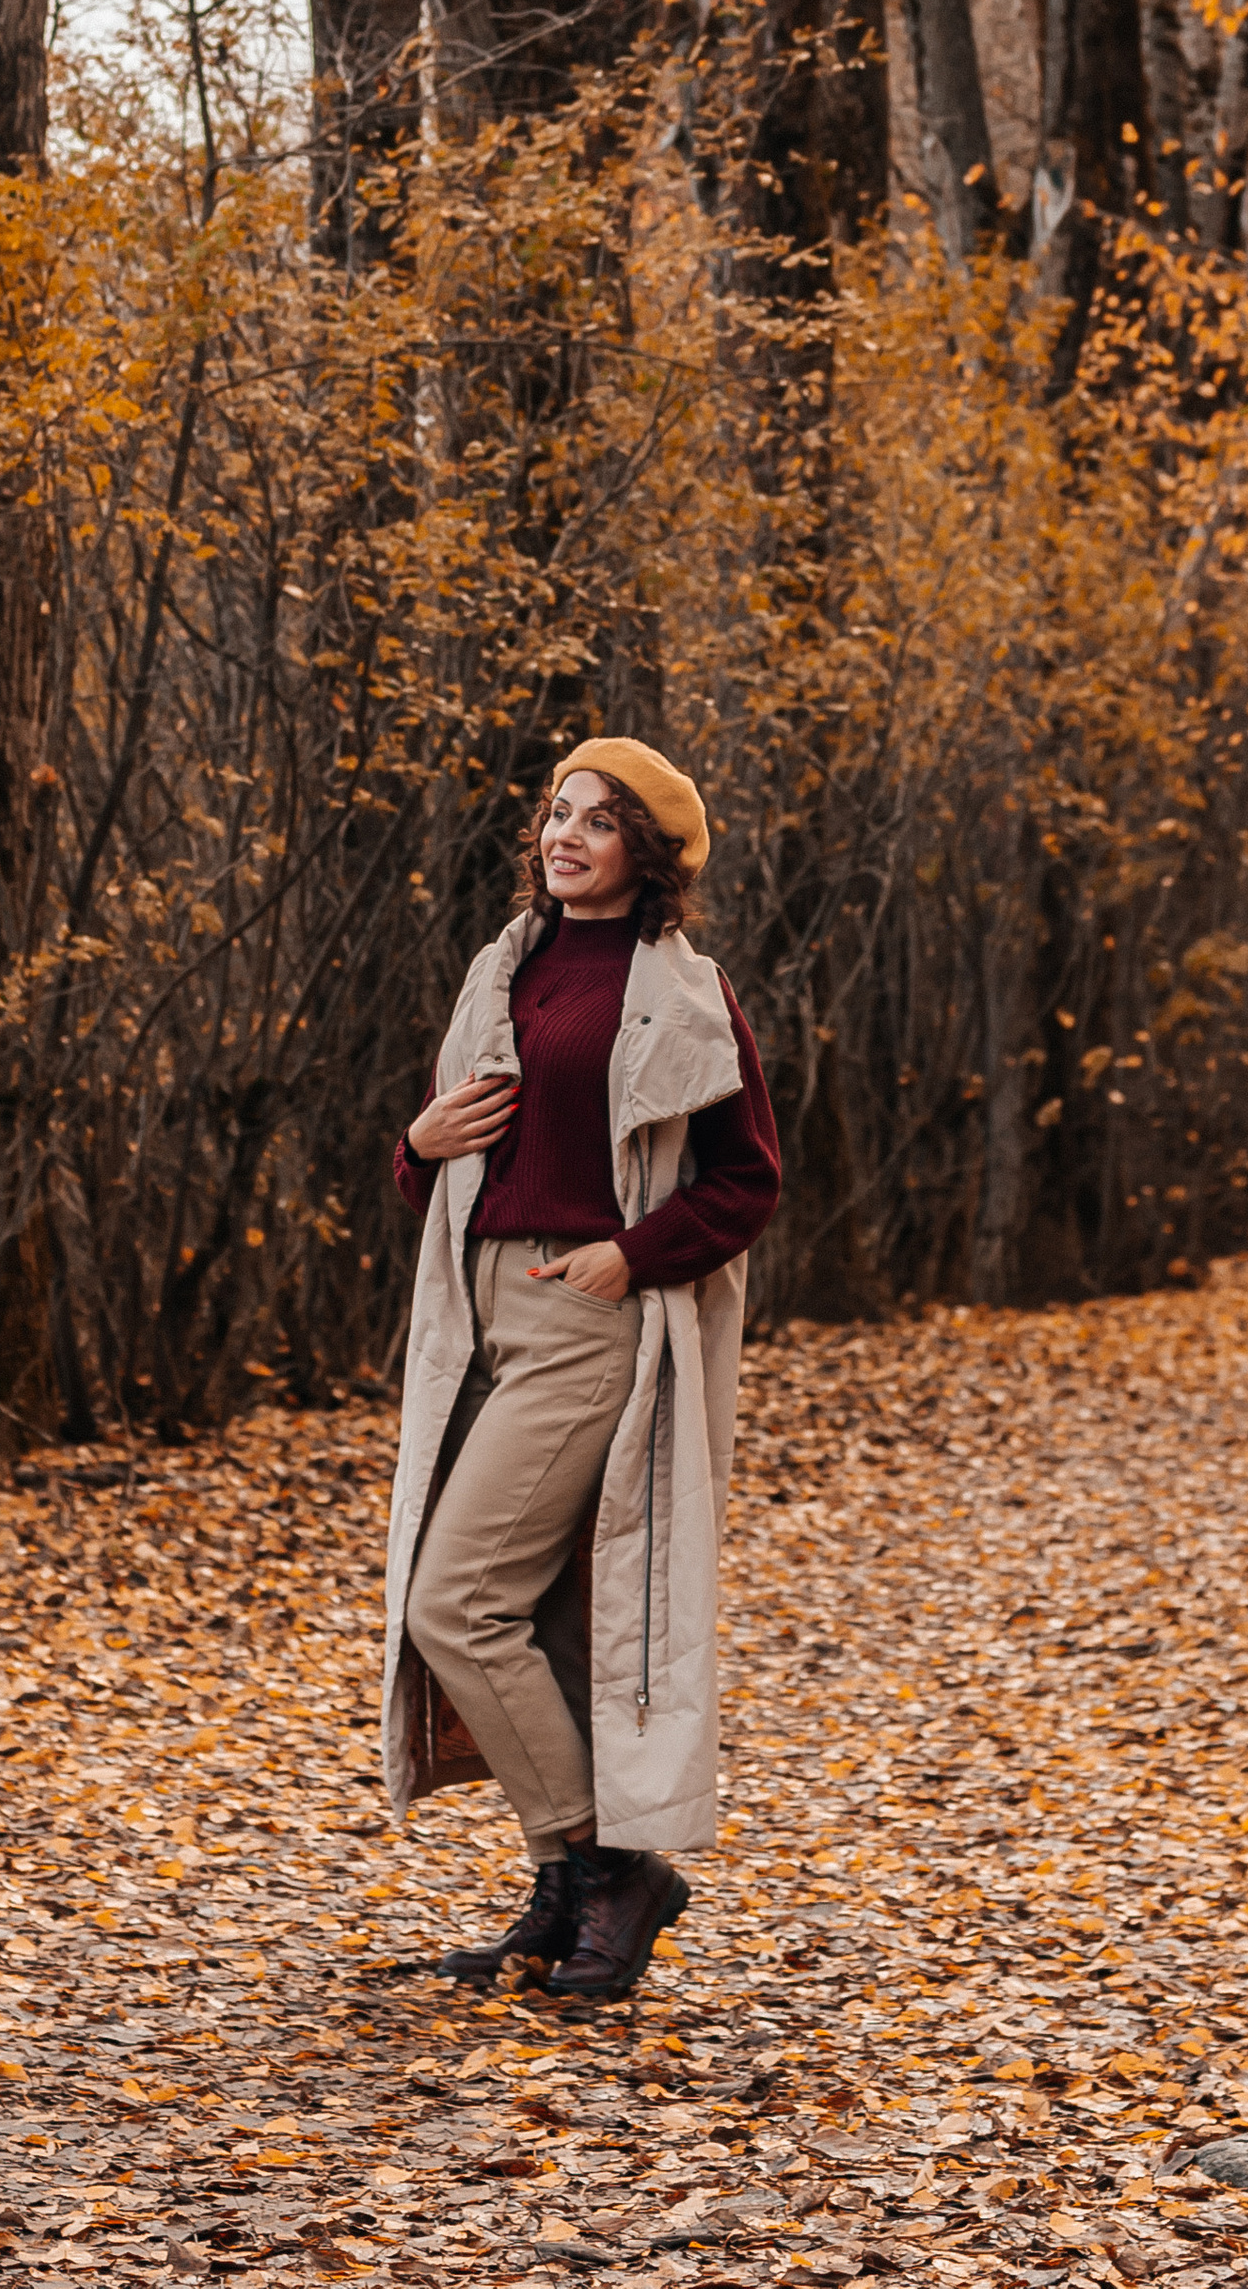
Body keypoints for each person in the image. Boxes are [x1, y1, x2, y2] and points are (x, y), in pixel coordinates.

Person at [379, 740, 781, 2004]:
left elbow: (746, 1178)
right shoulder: (507, 965)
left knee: (455, 1602)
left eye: (600, 823)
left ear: (643, 856)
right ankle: (560, 1889)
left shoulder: (683, 991)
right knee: (545, 1620)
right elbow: (456, 1160)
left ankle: (613, 1871)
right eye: (559, 813)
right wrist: (413, 1140)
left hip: (585, 1315)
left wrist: (631, 1255)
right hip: (479, 1310)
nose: (567, 836)